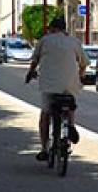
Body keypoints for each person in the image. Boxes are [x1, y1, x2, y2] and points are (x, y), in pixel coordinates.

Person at [25, 18, 87, 162]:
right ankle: (71, 125)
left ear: (52, 28)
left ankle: (44, 149)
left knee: (45, 114)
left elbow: (35, 61)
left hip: (49, 85)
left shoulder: (45, 41)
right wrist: (80, 76)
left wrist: (30, 73)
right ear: (65, 29)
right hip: (70, 84)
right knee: (70, 101)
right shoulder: (74, 42)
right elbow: (84, 63)